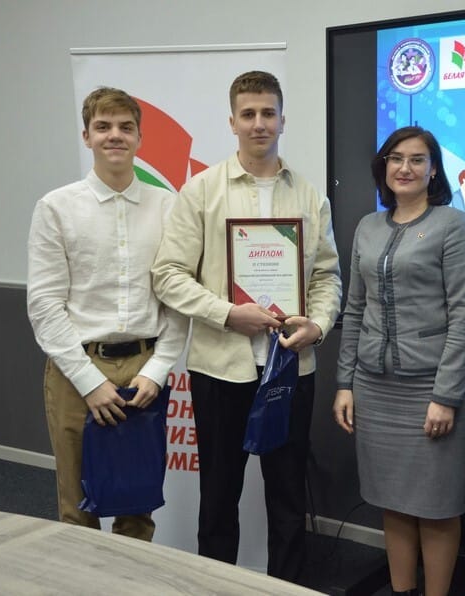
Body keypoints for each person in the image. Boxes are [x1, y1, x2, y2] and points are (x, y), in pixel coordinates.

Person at [151, 70, 341, 582]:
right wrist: (226, 313)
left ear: (283, 119)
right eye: (249, 114)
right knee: (218, 498)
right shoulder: (201, 191)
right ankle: (217, 588)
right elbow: (167, 275)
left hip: (290, 368)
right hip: (220, 369)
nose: (260, 123)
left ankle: (286, 588)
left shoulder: (309, 196)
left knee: (288, 499)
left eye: (268, 113)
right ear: (232, 121)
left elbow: (328, 277)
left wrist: (319, 325)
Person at [27, 86, 188, 541]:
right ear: (86, 136)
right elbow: (44, 305)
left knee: (138, 507)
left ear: (139, 137)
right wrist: (89, 382)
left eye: (125, 127)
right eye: (103, 127)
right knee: (78, 506)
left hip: (144, 369)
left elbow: (177, 298)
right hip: (76, 368)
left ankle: (131, 580)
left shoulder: (169, 207)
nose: (114, 135)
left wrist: (157, 369)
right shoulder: (56, 208)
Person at [334, 126, 465, 596]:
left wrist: (446, 395)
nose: (405, 168)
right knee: (392, 502)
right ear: (384, 166)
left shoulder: (451, 225)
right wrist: (344, 383)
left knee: (437, 508)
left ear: (433, 170)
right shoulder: (368, 227)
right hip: (375, 389)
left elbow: (464, 316)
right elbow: (355, 308)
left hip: (432, 390)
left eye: (417, 159)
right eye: (396, 158)